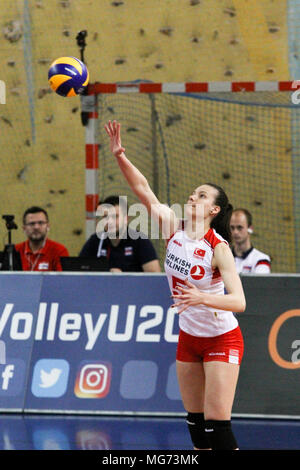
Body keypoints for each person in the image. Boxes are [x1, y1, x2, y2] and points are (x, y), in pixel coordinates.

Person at [104, 120, 246, 450]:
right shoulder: (174, 227)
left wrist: (201, 296)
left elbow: (238, 301)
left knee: (217, 425)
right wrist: (120, 155)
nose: (191, 197)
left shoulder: (218, 247)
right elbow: (143, 190)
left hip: (221, 337)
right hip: (189, 337)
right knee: (196, 425)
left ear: (213, 209)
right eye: (192, 193)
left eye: (200, 195)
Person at [79, 195, 161, 273]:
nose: (110, 221)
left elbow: (154, 277)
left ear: (126, 219)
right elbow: (79, 270)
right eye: (105, 217)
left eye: (115, 216)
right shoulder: (95, 241)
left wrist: (123, 278)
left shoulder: (140, 241)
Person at [15, 206, 69, 271]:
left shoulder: (59, 251)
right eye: (32, 224)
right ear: (24, 228)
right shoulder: (15, 250)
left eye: (40, 223)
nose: (36, 227)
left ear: (48, 226)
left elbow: (62, 280)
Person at [230, 208, 271, 274]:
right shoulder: (221, 259)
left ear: (250, 229)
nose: (235, 232)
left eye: (239, 227)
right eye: (232, 228)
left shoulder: (261, 259)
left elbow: (259, 284)